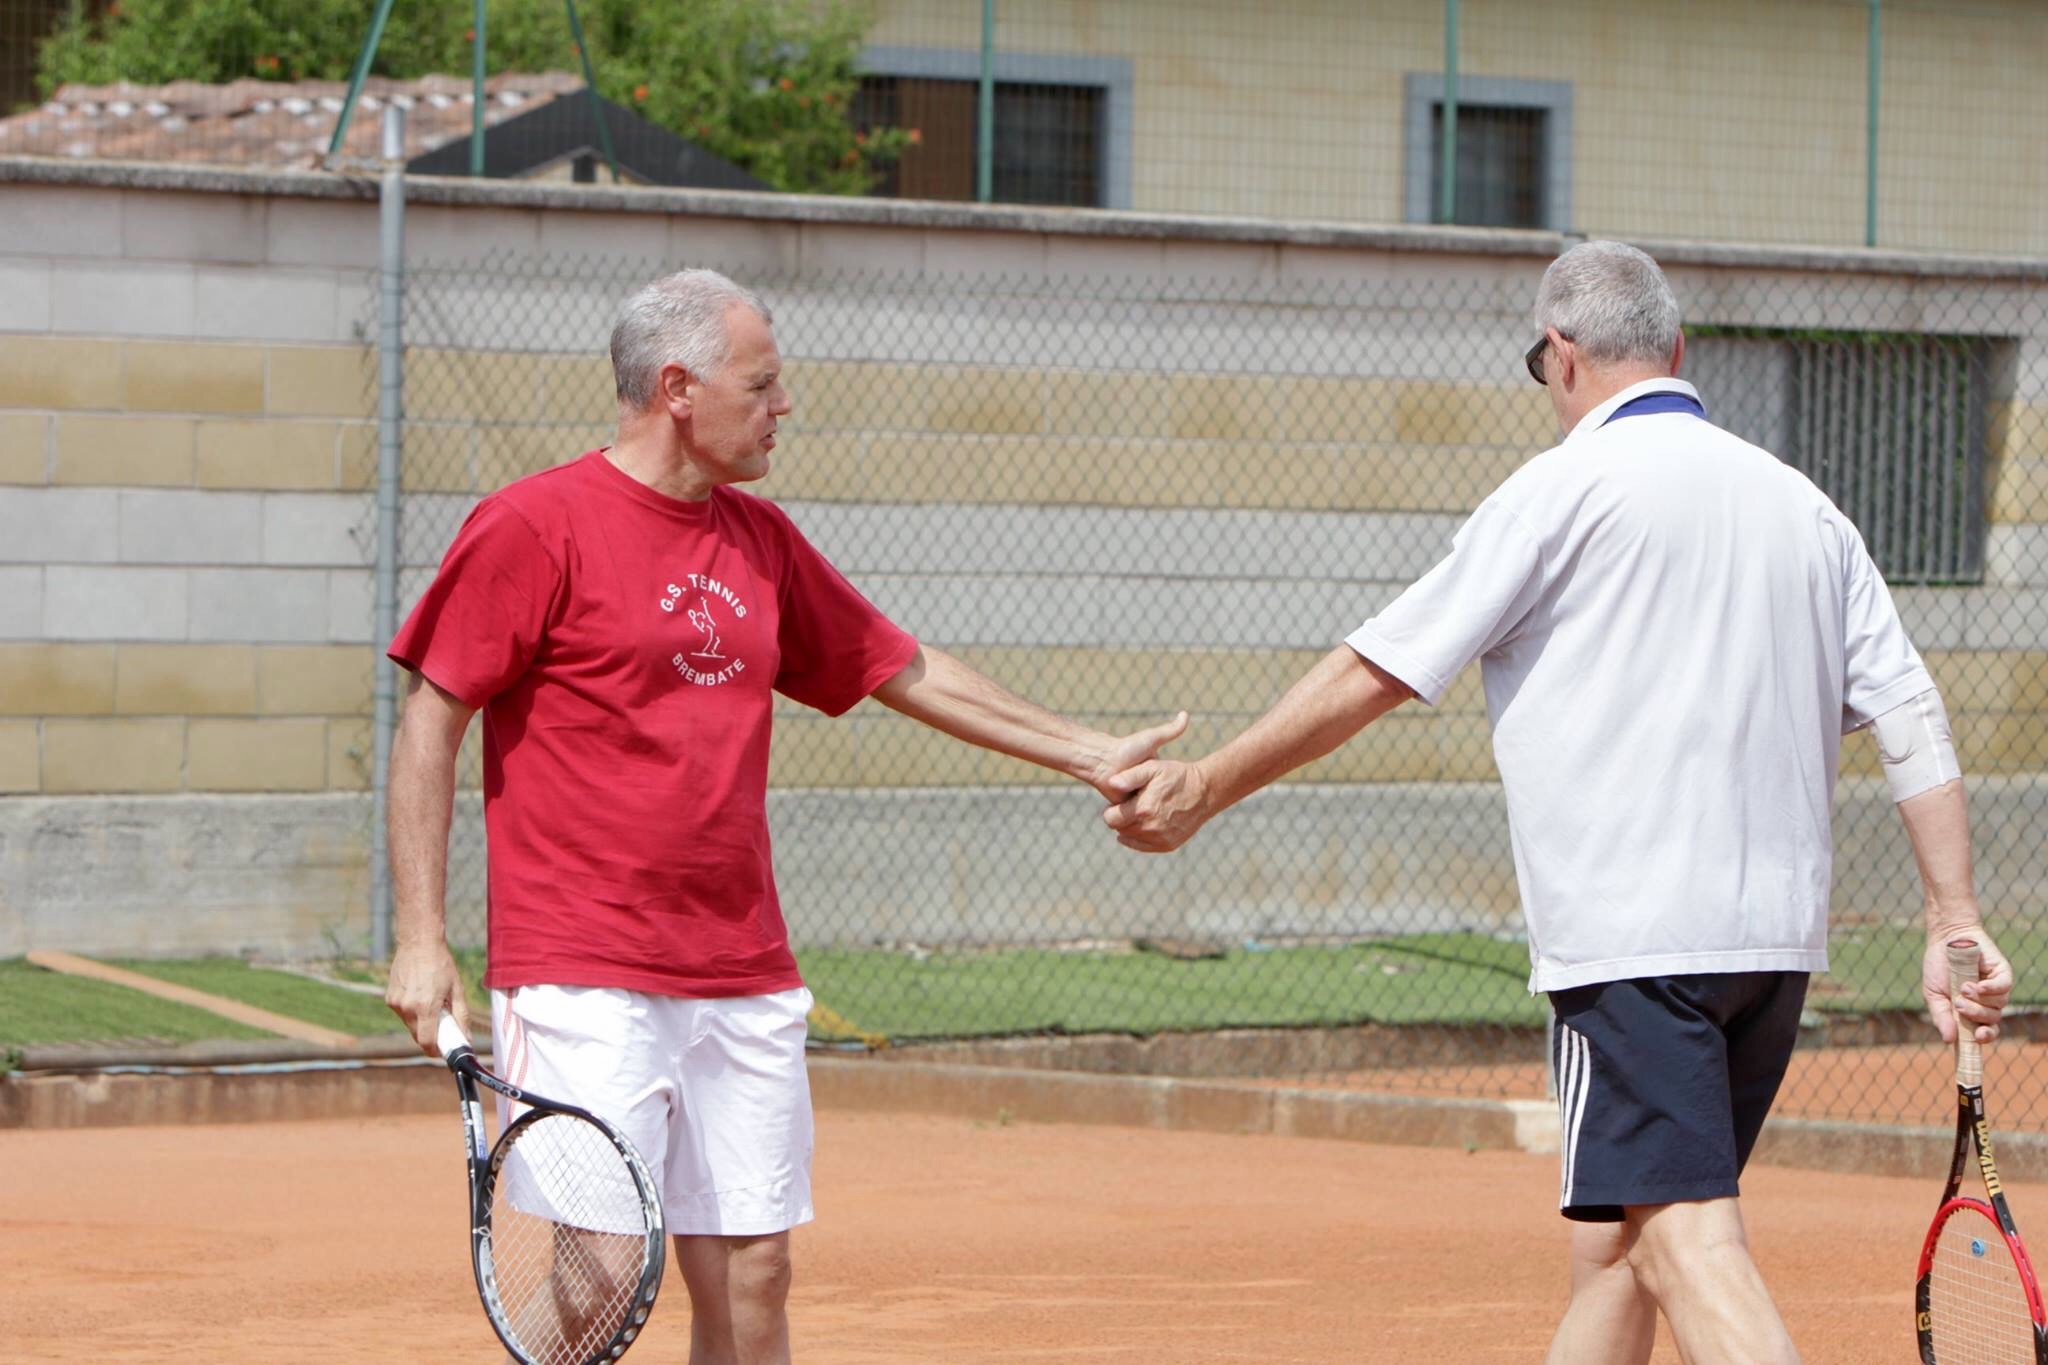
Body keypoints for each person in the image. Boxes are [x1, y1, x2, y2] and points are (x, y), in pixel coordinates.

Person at [1101, 240, 2014, 1365]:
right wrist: (1949, 917)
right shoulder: (1801, 507)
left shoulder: (1552, 493)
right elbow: (1911, 715)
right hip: (1768, 954)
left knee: (1682, 1242)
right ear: (1675, 352)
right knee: (1619, 1251)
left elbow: (1376, 669)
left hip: (1631, 947)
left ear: (1563, 357)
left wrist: (1204, 784)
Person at [382, 267, 1186, 1365]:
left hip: (740, 965)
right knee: (604, 1272)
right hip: (581, 966)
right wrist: (422, 941)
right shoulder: (534, 525)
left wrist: (1089, 752)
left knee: (755, 1274)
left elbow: (899, 667)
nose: (782, 406)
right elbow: (432, 721)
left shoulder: (757, 541)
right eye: (760, 385)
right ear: (677, 388)